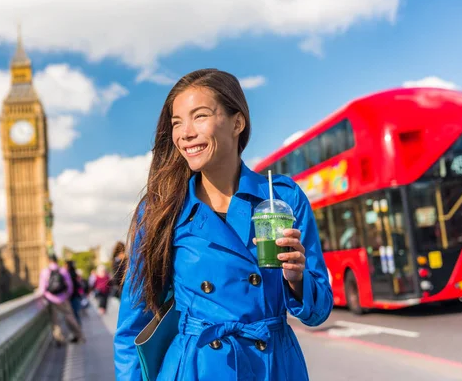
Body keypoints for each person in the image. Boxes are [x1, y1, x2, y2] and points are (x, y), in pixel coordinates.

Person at [114, 69, 333, 380]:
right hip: (196, 369)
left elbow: (320, 310)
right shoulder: (160, 210)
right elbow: (132, 326)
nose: (184, 133)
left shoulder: (282, 199)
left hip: (271, 367)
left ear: (237, 122)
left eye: (199, 116)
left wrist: (297, 281)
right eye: (177, 123)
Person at [38, 253, 85, 345]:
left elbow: (42, 289)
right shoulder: (63, 271)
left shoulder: (45, 272)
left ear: (49, 261)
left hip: (51, 299)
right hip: (63, 298)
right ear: (56, 260)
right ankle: (79, 335)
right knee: (70, 317)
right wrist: (66, 296)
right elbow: (70, 286)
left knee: (55, 321)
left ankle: (59, 339)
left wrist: (46, 296)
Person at [65, 260, 83, 325]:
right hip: (76, 296)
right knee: (76, 313)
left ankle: (78, 330)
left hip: (72, 296)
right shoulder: (74, 273)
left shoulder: (69, 274)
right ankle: (78, 328)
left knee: (74, 314)